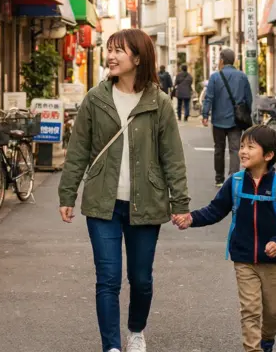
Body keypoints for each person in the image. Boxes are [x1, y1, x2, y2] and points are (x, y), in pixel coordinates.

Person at [58, 28, 191, 352]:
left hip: (146, 203)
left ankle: (135, 330)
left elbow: (172, 157)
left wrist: (180, 202)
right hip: (103, 203)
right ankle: (112, 347)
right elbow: (78, 150)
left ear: (138, 57)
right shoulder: (96, 98)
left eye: (119, 50)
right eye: (110, 49)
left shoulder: (158, 103)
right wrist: (68, 194)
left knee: (141, 279)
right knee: (108, 278)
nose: (111, 56)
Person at [174, 125, 276, 352]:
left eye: (250, 147)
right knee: (250, 310)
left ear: (268, 155)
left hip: (274, 260)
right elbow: (215, 210)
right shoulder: (236, 182)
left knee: (273, 311)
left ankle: (267, 340)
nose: (242, 151)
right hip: (243, 258)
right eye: (242, 146)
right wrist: (190, 218)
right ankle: (253, 349)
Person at [202, 48, 253, 187]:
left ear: (222, 60)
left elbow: (209, 98)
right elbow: (248, 98)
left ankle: (219, 179)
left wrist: (205, 114)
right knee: (235, 149)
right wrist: (247, 113)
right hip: (236, 120)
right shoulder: (242, 76)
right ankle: (234, 177)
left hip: (218, 120)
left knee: (219, 149)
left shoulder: (215, 77)